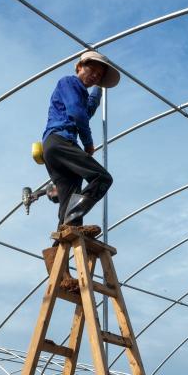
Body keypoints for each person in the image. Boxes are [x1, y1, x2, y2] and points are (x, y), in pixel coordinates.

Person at [40, 51, 120, 291]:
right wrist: (88, 143)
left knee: (68, 209)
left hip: (55, 149)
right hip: (60, 141)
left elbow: (87, 109)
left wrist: (100, 88)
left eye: (99, 75)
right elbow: (76, 112)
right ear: (79, 67)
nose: (94, 76)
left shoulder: (82, 92)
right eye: (91, 70)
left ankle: (59, 270)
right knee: (102, 177)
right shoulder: (69, 82)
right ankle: (72, 224)